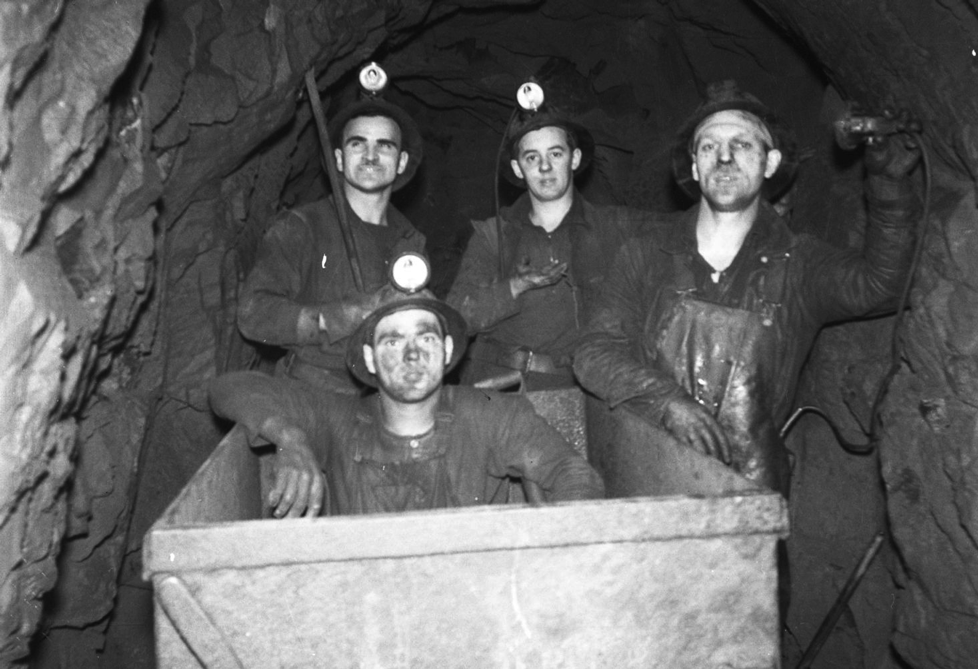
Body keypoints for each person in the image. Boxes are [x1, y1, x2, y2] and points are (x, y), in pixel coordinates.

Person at [573, 81, 921, 495]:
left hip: (750, 492)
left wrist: (889, 188)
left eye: (741, 144)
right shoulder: (646, 255)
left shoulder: (799, 265)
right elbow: (593, 353)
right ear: (695, 165)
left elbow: (883, 284)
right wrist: (667, 403)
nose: (723, 157)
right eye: (708, 147)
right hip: (653, 477)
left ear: (770, 163)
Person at [210, 290, 605, 517]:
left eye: (426, 338)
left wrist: (557, 547)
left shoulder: (489, 411)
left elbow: (572, 472)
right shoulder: (340, 417)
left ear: (448, 351)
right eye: (393, 341)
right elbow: (228, 388)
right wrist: (289, 437)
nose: (412, 355)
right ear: (369, 358)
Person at [447, 105, 655, 390]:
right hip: (495, 390)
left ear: (575, 158)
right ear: (518, 168)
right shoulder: (493, 235)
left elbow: (687, 232)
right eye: (532, 158)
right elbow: (456, 318)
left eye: (555, 154)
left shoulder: (614, 228)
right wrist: (514, 287)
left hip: (577, 391)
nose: (544, 167)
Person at [237, 92, 425, 394]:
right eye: (358, 143)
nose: (371, 155)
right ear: (338, 158)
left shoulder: (411, 241)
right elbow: (255, 315)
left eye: (384, 146)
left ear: (401, 162)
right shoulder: (302, 226)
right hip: (312, 394)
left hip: (387, 398)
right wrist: (350, 315)